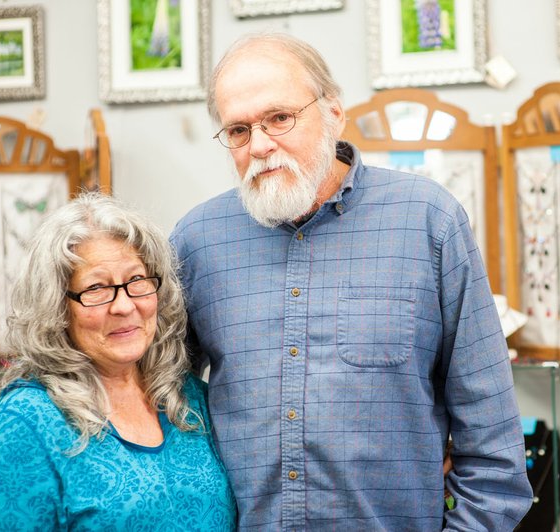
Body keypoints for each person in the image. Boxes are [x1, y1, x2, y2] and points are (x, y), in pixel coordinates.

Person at [171, 33, 532, 530]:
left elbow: (494, 453)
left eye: (279, 118)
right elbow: (158, 412)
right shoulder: (196, 241)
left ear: (334, 111)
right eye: (237, 129)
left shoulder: (429, 221)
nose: (259, 145)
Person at [0, 193, 236, 530]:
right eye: (96, 289)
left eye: (136, 281)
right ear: (58, 308)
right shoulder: (25, 423)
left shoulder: (187, 398)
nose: (123, 305)